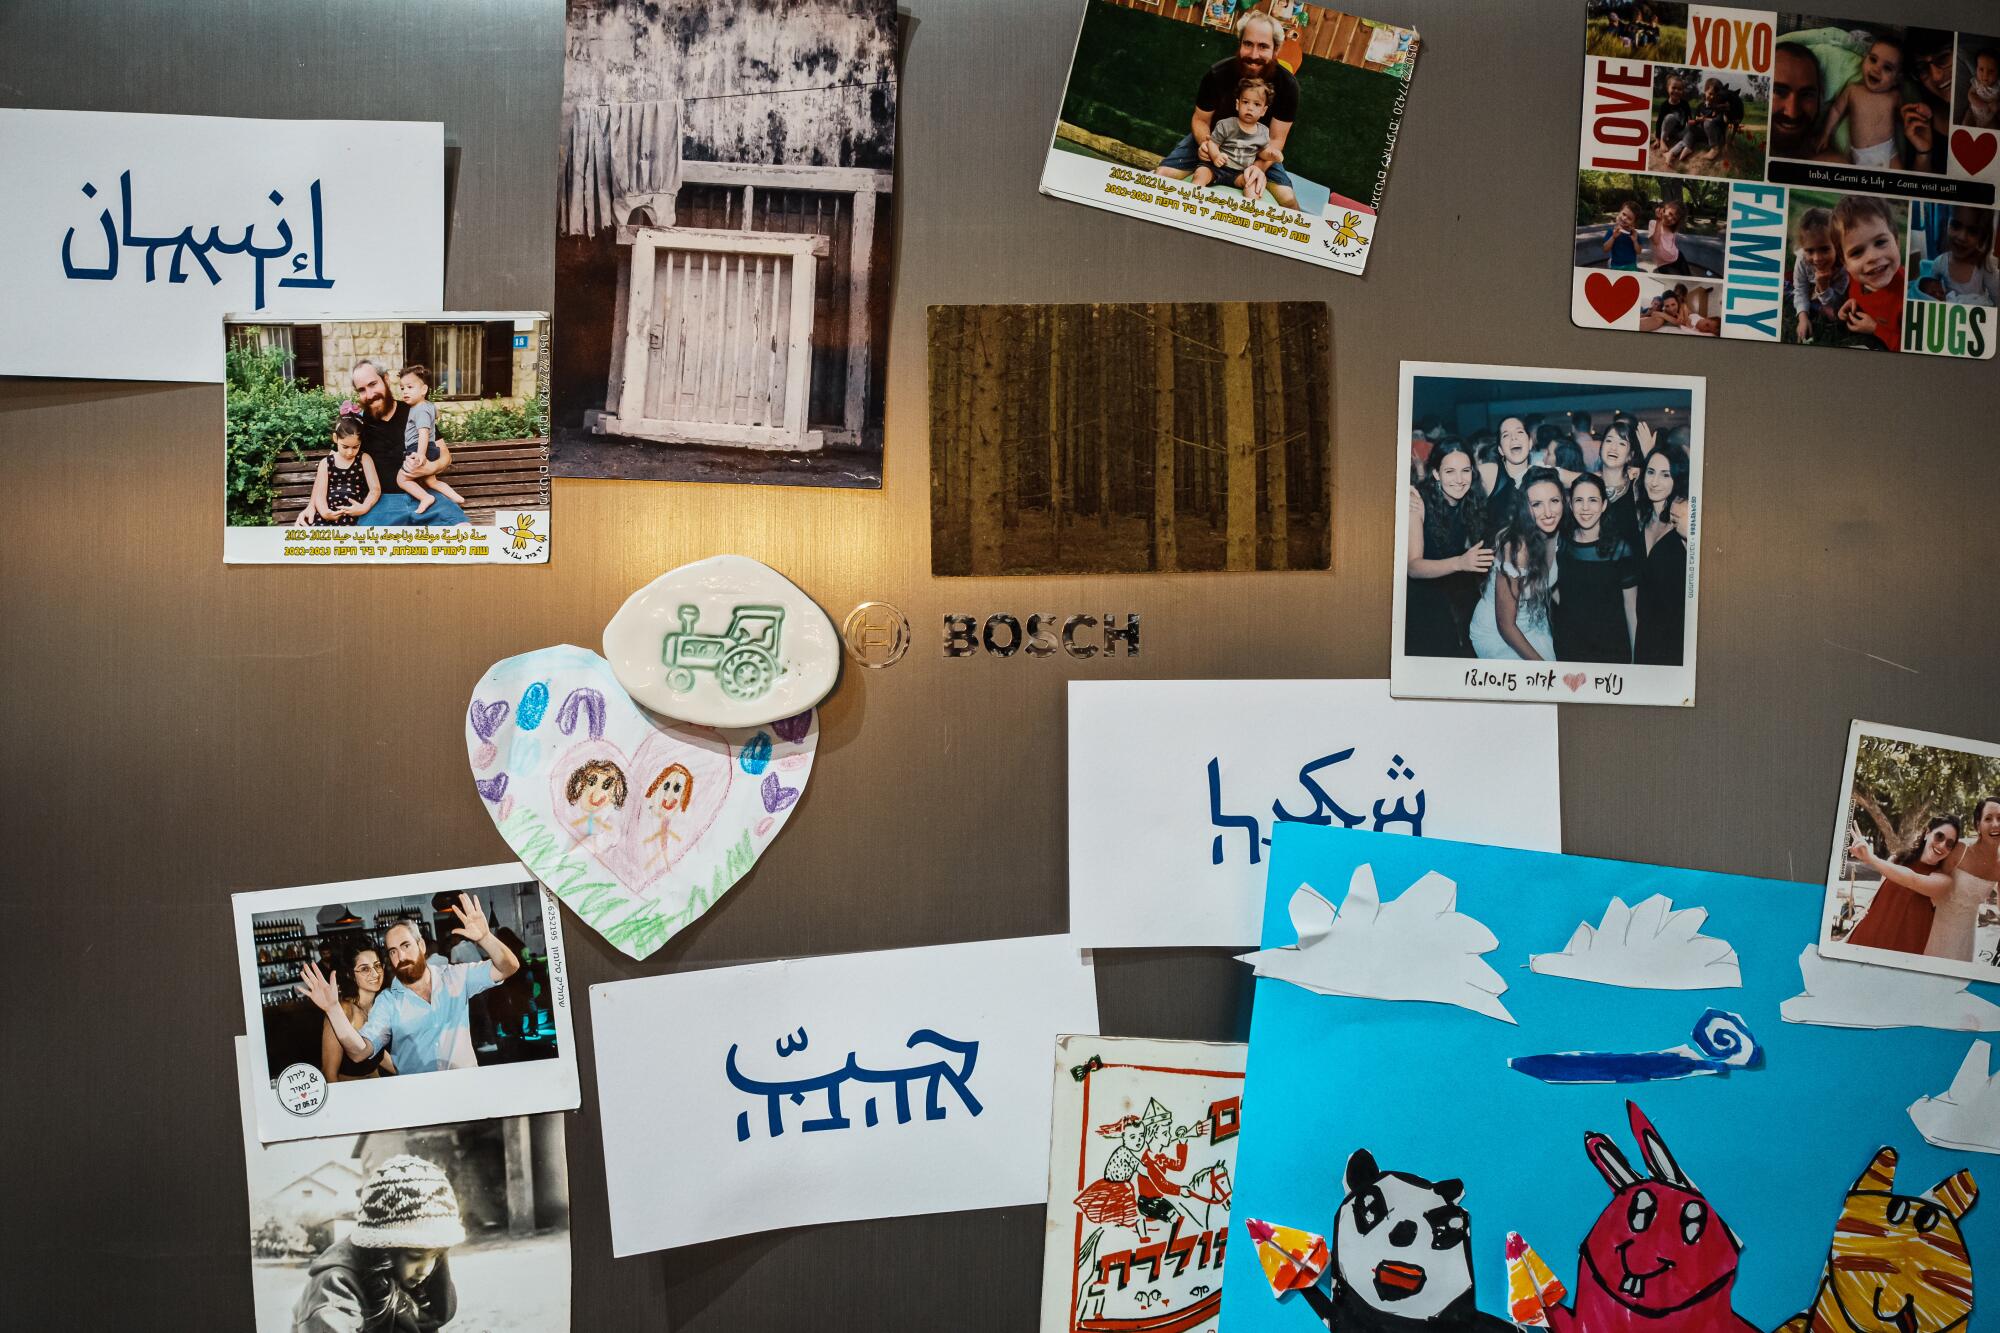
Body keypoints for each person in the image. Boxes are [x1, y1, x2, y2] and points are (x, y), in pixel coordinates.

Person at [299, 893, 520, 1075]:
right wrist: (333, 1009)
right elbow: (360, 1052)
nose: (400, 957)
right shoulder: (387, 1002)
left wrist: (485, 938)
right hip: (417, 1099)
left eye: (406, 946)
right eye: (393, 952)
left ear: (422, 945)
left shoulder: (456, 976)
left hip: (466, 1086)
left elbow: (508, 967)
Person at [290, 1155, 462, 1333]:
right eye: (415, 1257)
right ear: (384, 1250)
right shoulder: (333, 1293)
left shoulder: (402, 1274)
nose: (426, 1270)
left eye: (435, 1256)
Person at [1151, 12, 1302, 209]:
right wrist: (1205, 144)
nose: (1254, 55)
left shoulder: (1288, 86)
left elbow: (1276, 139)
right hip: (1214, 138)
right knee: (1160, 176)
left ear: (1276, 49)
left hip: (1258, 149)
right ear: (1240, 44)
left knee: (1289, 201)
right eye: (1248, 44)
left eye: (1263, 46)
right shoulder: (1217, 74)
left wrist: (1258, 168)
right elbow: (1200, 120)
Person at [346, 360, 469, 527]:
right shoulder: (357, 424)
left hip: (426, 496)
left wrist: (431, 468)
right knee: (368, 546)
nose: (369, 394)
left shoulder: (415, 410)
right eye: (362, 390)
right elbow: (330, 463)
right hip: (383, 503)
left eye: (373, 384)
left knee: (462, 531)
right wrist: (311, 506)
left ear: (386, 379)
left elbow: (445, 456)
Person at [1404, 438, 1490, 658]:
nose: (1460, 480)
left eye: (1466, 470)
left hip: (1455, 598)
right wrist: (1461, 562)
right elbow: (1412, 566)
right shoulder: (1417, 503)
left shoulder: (1472, 499)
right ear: (1436, 474)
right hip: (1423, 601)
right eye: (1450, 471)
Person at [1469, 468, 1564, 661]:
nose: (1548, 513)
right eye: (1537, 504)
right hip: (1498, 633)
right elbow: (1505, 625)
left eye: (1554, 501)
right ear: (1524, 507)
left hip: (1534, 622)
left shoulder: (1558, 533)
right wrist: (1543, 669)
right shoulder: (1516, 547)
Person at [1553, 473, 1639, 664]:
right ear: (1570, 504)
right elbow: (1556, 590)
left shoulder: (1620, 549)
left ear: (1604, 505)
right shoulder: (1562, 541)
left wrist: (1634, 661)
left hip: (1610, 648)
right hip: (1569, 646)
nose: (1585, 508)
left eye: (1592, 500)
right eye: (1578, 500)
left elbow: (1631, 608)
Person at [1844, 817, 1961, 954]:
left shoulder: (1944, 882)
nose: (1942, 845)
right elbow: (1873, 906)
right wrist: (1847, 939)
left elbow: (1912, 880)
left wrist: (1871, 859)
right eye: (1939, 836)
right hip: (1862, 943)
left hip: (1897, 957)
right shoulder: (1896, 860)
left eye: (1949, 844)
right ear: (1927, 833)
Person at [1633, 441, 1688, 666]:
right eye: (1651, 472)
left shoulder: (1684, 524)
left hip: (1676, 642)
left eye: (1665, 475)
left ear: (1678, 478)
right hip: (1644, 638)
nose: (1654, 482)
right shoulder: (1639, 519)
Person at [1926, 797, 2000, 963]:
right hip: (1933, 929)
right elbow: (1930, 886)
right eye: (1988, 818)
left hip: (1965, 939)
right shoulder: (1959, 850)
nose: (1995, 824)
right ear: (1977, 825)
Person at [1831, 194, 1905, 351]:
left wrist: (1875, 329)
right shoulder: (1857, 279)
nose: (1873, 257)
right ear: (1845, 263)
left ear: (1897, 242)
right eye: (1857, 252)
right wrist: (1853, 303)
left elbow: (1912, 348)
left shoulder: (1908, 295)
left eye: (1880, 242)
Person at [1818, 35, 1904, 169]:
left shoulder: (1894, 96)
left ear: (1897, 80)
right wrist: (1825, 134)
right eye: (1873, 60)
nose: (1876, 69)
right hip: (1858, 156)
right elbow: (1836, 110)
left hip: (1888, 153)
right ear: (1864, 59)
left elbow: (1905, 117)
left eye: (1887, 68)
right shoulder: (1852, 91)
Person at [393, 366, 467, 517]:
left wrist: (420, 454)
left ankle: (425, 497)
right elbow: (436, 415)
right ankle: (457, 498)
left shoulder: (419, 409)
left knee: (402, 479)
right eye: (402, 388)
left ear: (423, 389)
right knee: (431, 482)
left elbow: (423, 433)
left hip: (419, 449)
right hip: (431, 449)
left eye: (410, 387)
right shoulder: (427, 406)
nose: (405, 391)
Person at [320, 941, 397, 1083]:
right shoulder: (343, 1010)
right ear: (350, 974)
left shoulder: (380, 1005)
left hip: (375, 1083)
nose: (375, 973)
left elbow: (377, 1053)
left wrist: (412, 1073)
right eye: (365, 969)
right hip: (348, 1090)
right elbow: (329, 1073)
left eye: (377, 966)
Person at [1188, 78, 1277, 200]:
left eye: (1256, 104)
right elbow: (1212, 143)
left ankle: (1249, 211)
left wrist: (1272, 154)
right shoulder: (1225, 125)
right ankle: (1191, 201)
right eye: (1245, 102)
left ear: (1263, 110)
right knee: (1200, 174)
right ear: (1237, 104)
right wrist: (1216, 156)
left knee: (1253, 185)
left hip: (1241, 173)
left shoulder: (1263, 132)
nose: (1250, 108)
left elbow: (1262, 152)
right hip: (1215, 168)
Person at [1916, 205, 2000, 306]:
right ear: (1947, 224)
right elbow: (1927, 296)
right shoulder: (1939, 263)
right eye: (1956, 225)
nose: (1962, 237)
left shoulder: (1984, 265)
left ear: (1982, 236)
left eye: (1972, 231)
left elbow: (1997, 299)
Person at [1790, 207, 1851, 342]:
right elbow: (1800, 288)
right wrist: (1803, 318)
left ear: (1837, 245)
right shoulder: (1802, 260)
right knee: (1785, 290)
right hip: (1808, 293)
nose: (1817, 258)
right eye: (1810, 251)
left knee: (1835, 316)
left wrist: (1823, 287)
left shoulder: (1842, 268)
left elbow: (1836, 302)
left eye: (1824, 249)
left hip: (1828, 298)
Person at [1769, 40, 1826, 159]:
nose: (1792, 113)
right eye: (1778, 92)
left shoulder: (1835, 166)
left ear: (1820, 100)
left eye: (1806, 95)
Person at [1595, 420, 1644, 550]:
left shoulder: (1637, 486)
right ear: (1601, 448)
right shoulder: (1589, 485)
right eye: (1609, 440)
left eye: (1622, 443)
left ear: (1630, 456)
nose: (1613, 447)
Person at [1655, 75, 1694, 159]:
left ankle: (1671, 153)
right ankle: (1663, 141)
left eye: (1679, 89)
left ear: (1682, 91)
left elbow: (1689, 117)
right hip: (1668, 132)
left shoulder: (1685, 103)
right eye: (1674, 88)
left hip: (1681, 132)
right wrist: (1658, 139)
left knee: (1691, 129)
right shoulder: (1664, 105)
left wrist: (1691, 122)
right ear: (1667, 88)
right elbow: (1659, 122)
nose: (1676, 91)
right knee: (1670, 117)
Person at [1649, 200, 1690, 275]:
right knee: (1673, 282)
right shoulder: (1653, 223)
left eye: (1674, 219)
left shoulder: (1672, 229)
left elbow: (1672, 243)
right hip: (1663, 264)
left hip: (1677, 257)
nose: (1670, 219)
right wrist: (1659, 221)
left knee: (1687, 278)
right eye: (1670, 214)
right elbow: (1655, 241)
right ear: (1665, 208)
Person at [1964, 49, 2000, 130]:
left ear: (1998, 72)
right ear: (1976, 69)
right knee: (1966, 125)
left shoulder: (1998, 86)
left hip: (1990, 118)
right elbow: (1970, 94)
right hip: (1973, 114)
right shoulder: (1976, 82)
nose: (1985, 75)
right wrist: (1981, 104)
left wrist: (1997, 105)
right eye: (1981, 69)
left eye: (1991, 71)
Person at [1602, 199, 1641, 270]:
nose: (1625, 218)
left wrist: (1635, 241)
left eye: (1629, 218)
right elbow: (1605, 249)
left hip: (1631, 266)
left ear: (1634, 222)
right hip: (1615, 266)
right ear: (1619, 212)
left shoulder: (1634, 234)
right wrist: (1613, 237)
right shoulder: (1611, 232)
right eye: (1624, 214)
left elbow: (1639, 252)